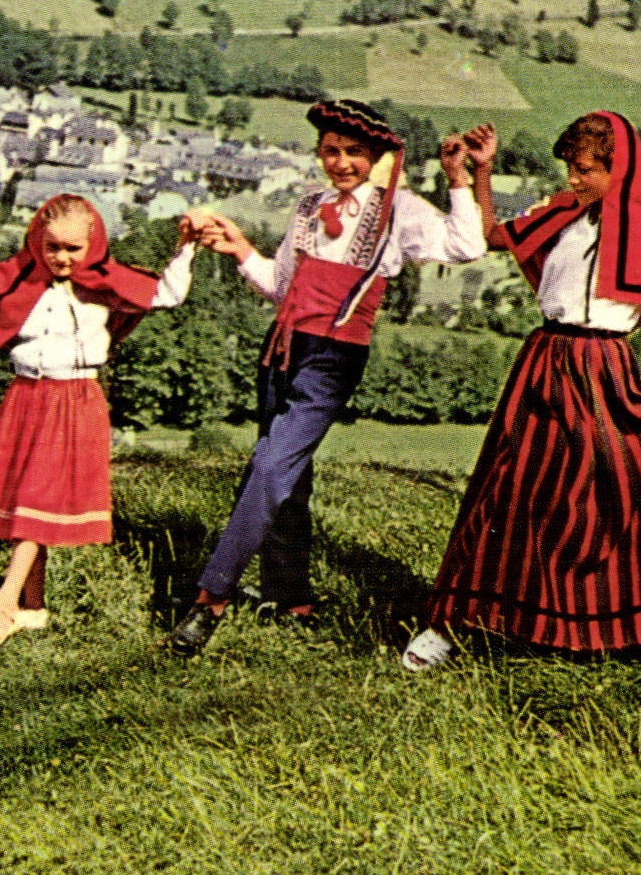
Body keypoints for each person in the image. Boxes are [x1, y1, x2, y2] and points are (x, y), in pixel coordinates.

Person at [168, 99, 489, 655]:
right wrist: (239, 248)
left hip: (334, 357)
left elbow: (468, 245)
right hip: (282, 348)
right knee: (286, 476)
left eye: (354, 153)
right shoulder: (309, 206)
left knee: (269, 466)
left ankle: (210, 597)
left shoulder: (398, 209)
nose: (340, 163)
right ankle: (290, 597)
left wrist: (458, 177)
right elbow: (280, 286)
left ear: (377, 157)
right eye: (331, 151)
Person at [402, 111, 641, 670]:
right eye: (570, 168)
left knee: (591, 501)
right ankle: (450, 623)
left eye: (584, 170)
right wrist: (479, 172)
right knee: (505, 488)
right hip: (545, 362)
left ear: (617, 169)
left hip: (605, 370)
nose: (573, 179)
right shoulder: (565, 213)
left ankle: (589, 625)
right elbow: (494, 237)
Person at [0, 194, 198, 650]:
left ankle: (2, 606)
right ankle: (33, 607)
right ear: (37, 240)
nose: (62, 257)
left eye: (74, 248)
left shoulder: (103, 282)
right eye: (53, 247)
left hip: (74, 399)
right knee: (27, 501)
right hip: (25, 395)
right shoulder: (19, 279)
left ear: (93, 244)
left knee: (38, 495)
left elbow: (167, 294)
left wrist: (186, 247)